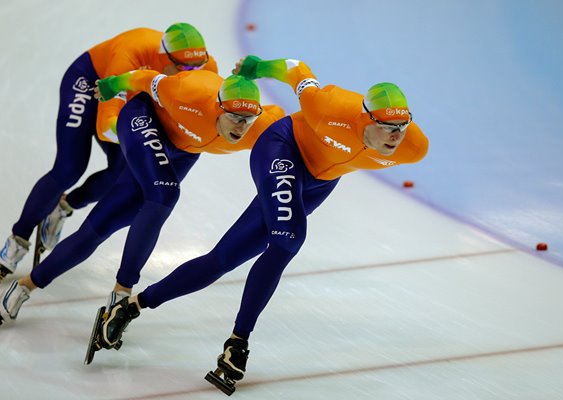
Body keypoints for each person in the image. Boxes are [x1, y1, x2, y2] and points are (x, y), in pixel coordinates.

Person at [96, 56, 430, 392]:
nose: (395, 136)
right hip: (282, 148)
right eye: (386, 127)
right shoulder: (328, 106)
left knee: (222, 260)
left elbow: (396, 140)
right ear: (364, 117)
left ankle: (133, 306)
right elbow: (296, 69)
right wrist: (257, 66)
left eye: (401, 127)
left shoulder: (414, 147)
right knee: (286, 241)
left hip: (318, 182)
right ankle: (237, 343)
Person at [0, 66, 286, 336]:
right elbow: (143, 77)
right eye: (234, 116)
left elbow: (296, 135)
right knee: (165, 192)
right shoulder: (187, 91)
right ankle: (122, 291)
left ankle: (23, 287)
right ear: (218, 107)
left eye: (248, 118)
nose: (241, 126)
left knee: (104, 223)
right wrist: (113, 85)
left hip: (183, 150)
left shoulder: (262, 125)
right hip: (143, 120)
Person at [0, 23, 218, 287]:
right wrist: (139, 139)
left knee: (120, 174)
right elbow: (106, 125)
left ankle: (65, 206)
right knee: (69, 168)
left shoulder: (206, 67)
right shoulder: (131, 52)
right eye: (183, 67)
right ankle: (17, 240)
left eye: (197, 67)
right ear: (164, 56)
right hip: (91, 83)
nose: (191, 73)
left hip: (130, 97)